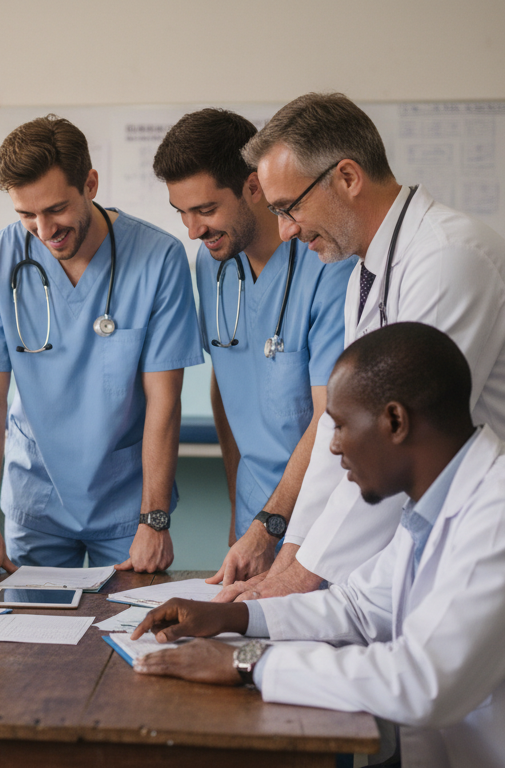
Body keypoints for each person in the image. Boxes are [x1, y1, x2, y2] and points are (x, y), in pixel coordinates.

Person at [224, 92, 505, 692]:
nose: (286, 230)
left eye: (289, 207)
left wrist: (298, 580)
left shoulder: (451, 258)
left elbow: (396, 434)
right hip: (451, 523)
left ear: (346, 177)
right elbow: (341, 434)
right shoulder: (367, 272)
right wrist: (290, 560)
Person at [131, 323, 505, 768]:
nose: (334, 447)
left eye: (339, 426)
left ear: (396, 421)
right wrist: (232, 616)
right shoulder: (436, 501)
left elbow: (424, 683)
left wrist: (245, 663)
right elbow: (361, 606)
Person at [0, 115, 202, 573]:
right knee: (29, 620)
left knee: (130, 617)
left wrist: (154, 518)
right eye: (26, 215)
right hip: (36, 498)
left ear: (90, 184)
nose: (43, 229)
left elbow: (164, 401)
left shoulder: (158, 258)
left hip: (126, 505)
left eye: (56, 209)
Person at [152, 108, 354, 585]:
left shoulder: (328, 263)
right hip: (253, 516)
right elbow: (226, 384)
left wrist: (269, 526)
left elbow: (331, 413)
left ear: (254, 187)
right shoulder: (211, 263)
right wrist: (240, 512)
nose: (193, 230)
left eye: (206, 210)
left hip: (319, 518)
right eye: (181, 212)